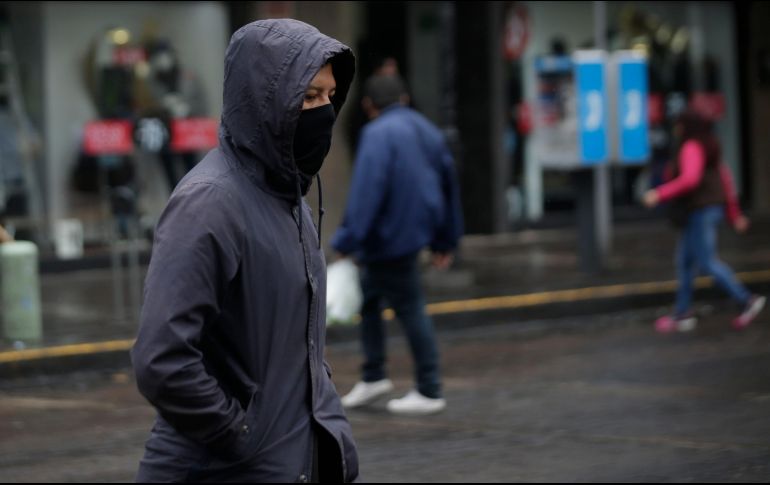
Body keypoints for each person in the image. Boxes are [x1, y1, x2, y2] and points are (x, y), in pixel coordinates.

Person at [130, 19, 358, 482]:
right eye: (310, 96)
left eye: (330, 97)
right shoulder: (211, 202)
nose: (325, 112)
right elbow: (162, 358)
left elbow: (292, 344)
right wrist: (240, 432)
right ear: (267, 100)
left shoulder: (288, 197)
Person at [332, 74, 464, 415]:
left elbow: (367, 192)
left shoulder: (376, 134)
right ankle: (374, 375)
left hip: (387, 238)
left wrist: (347, 239)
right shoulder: (428, 130)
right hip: (412, 234)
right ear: (405, 98)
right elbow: (449, 186)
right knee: (369, 299)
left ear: (368, 105)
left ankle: (429, 388)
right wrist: (445, 240)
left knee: (410, 308)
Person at [643, 109, 765, 333]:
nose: (676, 129)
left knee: (707, 261)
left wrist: (660, 193)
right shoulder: (710, 145)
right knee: (686, 262)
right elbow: (725, 180)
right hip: (705, 210)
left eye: (678, 125)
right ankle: (682, 313)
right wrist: (734, 213)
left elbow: (690, 180)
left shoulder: (691, 147)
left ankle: (746, 299)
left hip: (700, 211)